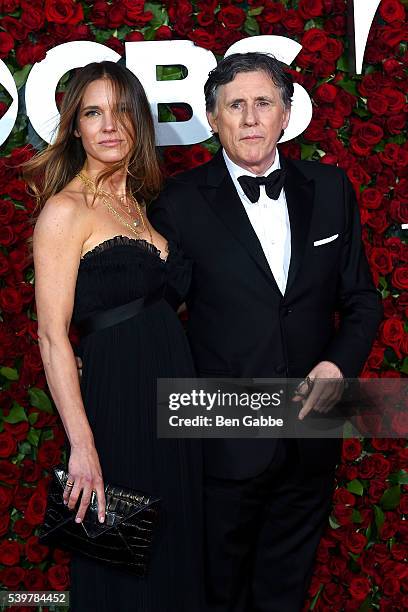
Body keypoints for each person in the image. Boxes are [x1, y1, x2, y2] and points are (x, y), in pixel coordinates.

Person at [149, 52, 383, 611]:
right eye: (236, 106)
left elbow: (362, 301)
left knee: (286, 591)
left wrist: (337, 366)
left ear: (286, 114)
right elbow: (156, 313)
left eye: (263, 103)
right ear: (213, 119)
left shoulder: (330, 188)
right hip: (223, 436)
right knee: (217, 592)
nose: (250, 118)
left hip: (312, 430)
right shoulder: (179, 203)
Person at [26, 60, 203, 612]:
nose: (108, 125)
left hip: (172, 400)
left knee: (174, 557)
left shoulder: (143, 208)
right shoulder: (64, 211)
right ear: (75, 126)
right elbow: (52, 338)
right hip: (117, 400)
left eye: (121, 111)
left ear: (139, 123)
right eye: (92, 112)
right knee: (121, 563)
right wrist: (82, 445)